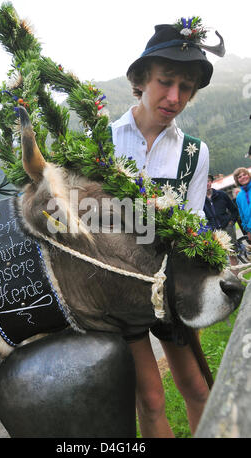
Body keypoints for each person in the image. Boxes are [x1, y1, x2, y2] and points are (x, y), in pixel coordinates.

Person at [111, 18, 225, 437]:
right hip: (120, 289)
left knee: (197, 386)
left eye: (186, 87)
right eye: (166, 81)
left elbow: (191, 229)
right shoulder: (104, 143)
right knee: (152, 398)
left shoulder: (196, 153)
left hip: (168, 287)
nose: (175, 97)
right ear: (142, 79)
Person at [204, 174, 238, 265]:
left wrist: (230, 224)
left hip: (227, 228)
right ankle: (226, 278)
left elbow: (234, 210)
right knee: (220, 257)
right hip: (214, 232)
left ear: (211, 182)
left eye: (208, 181)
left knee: (232, 254)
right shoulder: (201, 201)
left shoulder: (221, 195)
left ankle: (237, 277)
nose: (206, 183)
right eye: (203, 181)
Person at [233, 167, 251, 241]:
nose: (243, 177)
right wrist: (248, 231)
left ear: (249, 175)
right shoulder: (239, 196)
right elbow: (242, 215)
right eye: (239, 177)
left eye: (244, 174)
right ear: (237, 180)